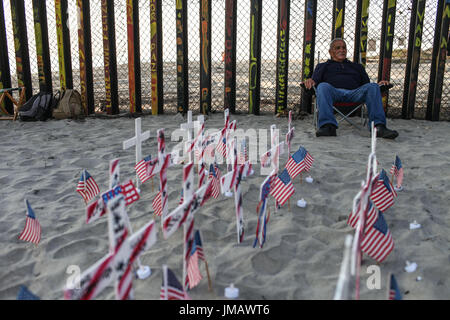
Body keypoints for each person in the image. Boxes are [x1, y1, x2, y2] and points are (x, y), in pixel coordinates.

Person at [304, 38, 398, 139]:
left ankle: (378, 128)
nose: (342, 50)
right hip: (334, 93)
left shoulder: (357, 67)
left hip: (355, 93)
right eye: (338, 48)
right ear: (330, 52)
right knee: (322, 86)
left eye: (344, 48)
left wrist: (379, 85)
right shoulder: (323, 66)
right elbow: (314, 83)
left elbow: (367, 85)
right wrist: (310, 81)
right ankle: (328, 127)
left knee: (373, 86)